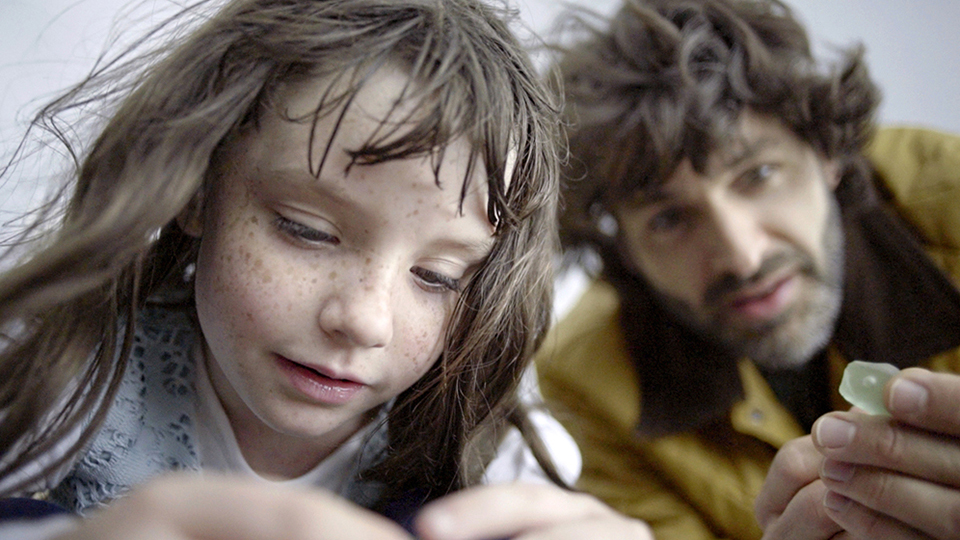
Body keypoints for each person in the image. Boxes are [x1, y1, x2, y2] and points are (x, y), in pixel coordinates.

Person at [0, 1, 656, 539]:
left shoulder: (496, 454)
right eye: (308, 231)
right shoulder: (60, 365)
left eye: (437, 276)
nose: (365, 320)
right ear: (198, 191)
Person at [534, 0, 960, 539]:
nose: (744, 258)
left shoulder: (950, 198)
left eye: (757, 175)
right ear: (626, 250)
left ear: (826, 153)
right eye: (669, 219)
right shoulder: (587, 383)